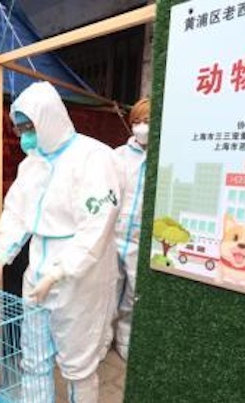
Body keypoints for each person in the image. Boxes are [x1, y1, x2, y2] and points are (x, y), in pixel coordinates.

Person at [0, 81, 120, 403]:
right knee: (34, 341)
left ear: (49, 120)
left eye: (29, 127)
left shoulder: (94, 156)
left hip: (81, 267)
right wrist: (0, 257)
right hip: (39, 258)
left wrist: (61, 271)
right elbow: (16, 213)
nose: (25, 136)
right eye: (20, 128)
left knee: (77, 343)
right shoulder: (33, 166)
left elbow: (97, 224)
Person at [111, 98, 150, 361]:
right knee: (107, 291)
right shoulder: (118, 156)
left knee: (133, 295)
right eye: (136, 121)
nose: (140, 127)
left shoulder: (161, 158)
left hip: (140, 238)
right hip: (113, 235)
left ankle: (124, 341)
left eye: (146, 122)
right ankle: (101, 342)